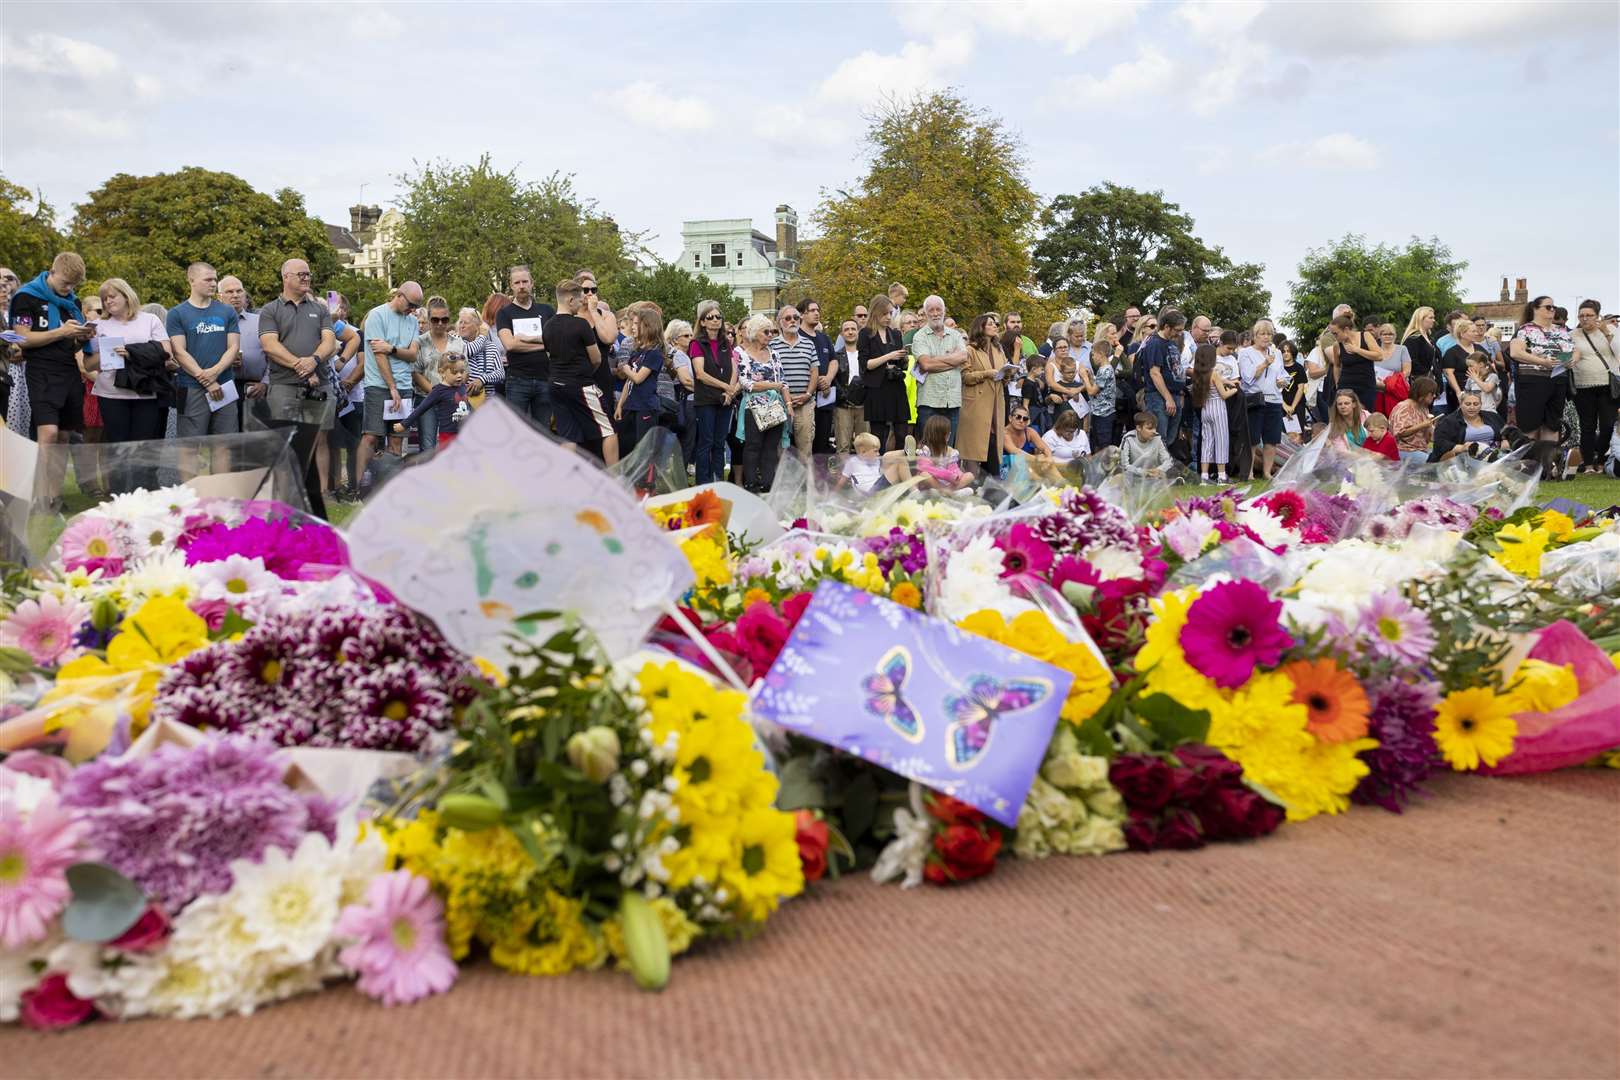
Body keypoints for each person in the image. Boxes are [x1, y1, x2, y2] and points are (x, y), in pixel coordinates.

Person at [8, 253, 94, 502]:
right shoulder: (26, 296)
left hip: (69, 370)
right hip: (41, 370)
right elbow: (22, 338)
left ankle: (55, 497)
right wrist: (61, 332)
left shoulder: (73, 302)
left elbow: (73, 343)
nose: (68, 289)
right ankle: (40, 496)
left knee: (65, 436)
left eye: (73, 285)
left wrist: (81, 337)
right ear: (52, 272)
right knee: (48, 434)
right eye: (65, 283)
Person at [84, 277, 171, 492]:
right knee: (117, 448)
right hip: (111, 394)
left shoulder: (150, 319)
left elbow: (165, 352)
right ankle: (118, 496)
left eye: (112, 296)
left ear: (126, 295)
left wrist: (131, 351)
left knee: (142, 447)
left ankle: (141, 494)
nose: (107, 302)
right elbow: (88, 364)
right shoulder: (99, 325)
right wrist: (106, 353)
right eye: (104, 299)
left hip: (145, 393)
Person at [352, 282, 421, 488]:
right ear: (399, 296)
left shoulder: (413, 322)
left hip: (405, 386)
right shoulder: (377, 315)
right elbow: (378, 355)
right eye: (411, 305)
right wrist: (391, 387)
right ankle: (355, 486)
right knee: (371, 436)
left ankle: (388, 486)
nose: (413, 310)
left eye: (416, 307)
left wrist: (391, 348)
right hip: (378, 386)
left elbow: (412, 354)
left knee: (397, 439)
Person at [166, 262, 240, 438]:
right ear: (191, 280)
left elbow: (234, 347)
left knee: (225, 444)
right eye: (208, 279)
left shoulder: (227, 311)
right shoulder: (177, 313)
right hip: (191, 387)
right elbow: (179, 352)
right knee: (191, 446)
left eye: (215, 279)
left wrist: (215, 372)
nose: (213, 283)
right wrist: (208, 381)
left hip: (225, 385)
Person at [544, 278, 615, 461]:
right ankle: (615, 479)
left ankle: (567, 482)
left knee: (569, 436)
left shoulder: (547, 326)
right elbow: (596, 358)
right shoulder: (580, 325)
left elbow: (550, 355)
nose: (580, 303)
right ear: (570, 301)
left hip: (555, 385)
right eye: (578, 300)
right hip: (580, 384)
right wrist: (587, 372)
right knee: (608, 430)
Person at [733, 313, 790, 493]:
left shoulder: (774, 355)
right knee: (753, 446)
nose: (770, 335)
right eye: (766, 331)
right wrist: (772, 385)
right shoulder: (743, 355)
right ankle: (750, 483)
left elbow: (784, 381)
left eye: (772, 331)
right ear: (755, 332)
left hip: (775, 406)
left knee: (771, 448)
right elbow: (746, 383)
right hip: (753, 407)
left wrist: (788, 404)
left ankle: (768, 484)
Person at [495, 266, 555, 431]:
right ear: (511, 285)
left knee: (543, 433)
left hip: (545, 379)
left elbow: (556, 342)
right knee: (515, 432)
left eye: (525, 281)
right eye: (517, 282)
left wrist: (524, 340)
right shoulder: (504, 314)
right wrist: (544, 344)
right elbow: (510, 345)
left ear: (532, 283)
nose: (521, 286)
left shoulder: (547, 311)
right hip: (517, 381)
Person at [1509, 295, 1571, 445]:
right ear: (1535, 309)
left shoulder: (1561, 330)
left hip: (1558, 381)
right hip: (1533, 382)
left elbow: (1572, 350)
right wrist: (1543, 362)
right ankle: (1529, 463)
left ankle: (1548, 464)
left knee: (1553, 424)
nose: (1552, 310)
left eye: (1554, 307)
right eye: (1548, 307)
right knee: (1530, 425)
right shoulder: (1525, 329)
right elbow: (1516, 353)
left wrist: (1572, 358)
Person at [689, 299, 736, 485]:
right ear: (702, 322)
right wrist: (725, 387)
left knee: (719, 442)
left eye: (719, 317)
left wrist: (730, 392)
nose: (716, 320)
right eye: (711, 317)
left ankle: (718, 480)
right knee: (706, 442)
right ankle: (703, 482)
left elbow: (734, 370)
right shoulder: (697, 344)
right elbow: (700, 374)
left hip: (725, 399)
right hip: (706, 400)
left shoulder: (726, 343)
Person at [911, 295, 968, 445]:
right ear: (925, 313)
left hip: (952, 401)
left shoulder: (955, 335)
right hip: (929, 402)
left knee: (948, 450)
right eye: (931, 310)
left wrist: (935, 360)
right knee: (928, 449)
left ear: (944, 311)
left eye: (939, 309)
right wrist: (952, 360)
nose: (935, 313)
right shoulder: (919, 337)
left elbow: (963, 357)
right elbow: (926, 365)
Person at [1570, 299, 1618, 475]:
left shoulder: (1610, 330)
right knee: (1587, 426)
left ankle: (1601, 460)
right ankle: (1589, 463)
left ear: (1598, 316)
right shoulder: (1572, 334)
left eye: (1589, 315)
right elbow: (1566, 355)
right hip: (1583, 386)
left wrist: (1606, 332)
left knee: (1607, 425)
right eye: (1581, 315)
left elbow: (1618, 352)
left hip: (1608, 385)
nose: (1585, 319)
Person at [957, 313, 1006, 478]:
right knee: (974, 448)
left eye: (996, 324)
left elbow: (1002, 374)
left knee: (992, 444)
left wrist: (1009, 373)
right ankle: (971, 484)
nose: (995, 326)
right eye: (991, 323)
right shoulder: (970, 350)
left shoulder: (999, 350)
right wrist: (985, 374)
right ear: (981, 327)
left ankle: (990, 484)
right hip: (976, 405)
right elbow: (965, 377)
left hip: (996, 403)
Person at [411, 296, 462, 452]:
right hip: (427, 399)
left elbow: (464, 370)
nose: (440, 323)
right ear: (428, 319)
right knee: (428, 447)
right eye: (435, 320)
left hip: (452, 400)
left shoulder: (458, 342)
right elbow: (415, 371)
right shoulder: (419, 342)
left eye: (444, 319)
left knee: (453, 445)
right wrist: (436, 393)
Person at [860, 294, 909, 452]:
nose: (888, 317)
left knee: (902, 433)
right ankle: (878, 468)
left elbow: (900, 363)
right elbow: (866, 364)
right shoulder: (865, 333)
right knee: (878, 435)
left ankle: (898, 466)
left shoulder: (895, 334)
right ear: (876, 312)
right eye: (885, 313)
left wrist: (903, 359)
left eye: (890, 313)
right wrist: (889, 356)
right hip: (876, 388)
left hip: (896, 386)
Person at [768, 303, 818, 457]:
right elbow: (770, 375)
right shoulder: (772, 345)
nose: (793, 321)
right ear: (780, 322)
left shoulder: (809, 344)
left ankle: (805, 481)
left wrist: (808, 394)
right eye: (788, 318)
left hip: (805, 402)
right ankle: (781, 481)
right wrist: (787, 398)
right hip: (780, 403)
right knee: (779, 448)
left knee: (805, 447)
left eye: (796, 317)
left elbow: (815, 371)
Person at [615, 304, 667, 450]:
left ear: (648, 326)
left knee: (644, 448)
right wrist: (620, 405)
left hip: (646, 407)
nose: (632, 327)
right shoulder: (637, 352)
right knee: (628, 445)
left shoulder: (654, 353)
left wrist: (625, 367)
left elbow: (638, 378)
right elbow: (629, 382)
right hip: (631, 405)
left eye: (637, 324)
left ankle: (648, 474)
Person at [1238, 319, 1285, 480]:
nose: (1266, 337)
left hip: (1275, 400)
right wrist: (1265, 363)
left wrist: (1282, 381)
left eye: (1269, 334)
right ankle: (1249, 472)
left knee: (1271, 439)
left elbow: (1283, 374)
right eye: (1262, 334)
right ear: (1255, 336)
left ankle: (1267, 472)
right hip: (1256, 400)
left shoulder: (1276, 353)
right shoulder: (1245, 353)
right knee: (1253, 439)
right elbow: (1248, 377)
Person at [395, 354, 471, 450]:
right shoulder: (438, 391)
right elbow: (421, 408)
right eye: (454, 372)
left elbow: (468, 407)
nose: (459, 375)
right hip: (448, 435)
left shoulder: (462, 387)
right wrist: (404, 424)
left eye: (462, 372)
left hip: (465, 433)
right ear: (442, 372)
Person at [1188, 343, 1237, 484]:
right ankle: (1222, 475)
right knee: (1221, 440)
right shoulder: (1213, 373)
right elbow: (1224, 395)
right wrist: (1234, 390)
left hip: (1205, 410)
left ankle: (1204, 476)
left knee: (1206, 442)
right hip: (1218, 409)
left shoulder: (1197, 374)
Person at [1138, 307, 1186, 448]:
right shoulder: (1155, 343)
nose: (1179, 333)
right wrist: (1168, 398)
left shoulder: (1171, 342)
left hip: (1175, 395)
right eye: (1177, 330)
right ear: (1166, 326)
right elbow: (1155, 373)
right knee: (1158, 438)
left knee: (1170, 438)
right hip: (1159, 397)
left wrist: (1179, 394)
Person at [799, 298, 837, 455]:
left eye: (818, 310)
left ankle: (820, 478)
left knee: (822, 442)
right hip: (804, 398)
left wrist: (828, 378)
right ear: (802, 314)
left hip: (825, 397)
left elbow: (833, 360)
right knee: (804, 442)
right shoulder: (797, 337)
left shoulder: (824, 338)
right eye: (812, 310)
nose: (817, 313)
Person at [1430, 391, 1508, 462]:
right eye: (1468, 404)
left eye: (1476, 404)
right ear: (1460, 404)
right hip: (1465, 458)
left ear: (1481, 405)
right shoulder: (1448, 422)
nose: (1472, 407)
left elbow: (1509, 432)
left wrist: (1505, 441)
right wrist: (1462, 448)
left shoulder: (1492, 416)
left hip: (1495, 454)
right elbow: (1440, 443)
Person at [1330, 312, 1380, 412]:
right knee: (1346, 416)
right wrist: (1337, 384)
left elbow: (1379, 356)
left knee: (1366, 416)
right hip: (1346, 386)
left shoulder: (1365, 336)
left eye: (1336, 333)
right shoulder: (1337, 345)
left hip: (1366, 385)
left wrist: (1357, 350)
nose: (1335, 337)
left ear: (1346, 330)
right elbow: (1336, 365)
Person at [832, 317, 867, 453]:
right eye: (846, 329)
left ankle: (864, 474)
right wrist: (843, 396)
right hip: (843, 406)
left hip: (864, 405)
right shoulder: (835, 355)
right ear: (841, 333)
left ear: (858, 331)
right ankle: (843, 474)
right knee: (843, 446)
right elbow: (833, 379)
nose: (850, 332)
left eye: (853, 329)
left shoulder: (866, 354)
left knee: (865, 446)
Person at [1389, 376, 1440, 463]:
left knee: (1445, 457)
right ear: (1423, 392)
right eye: (1432, 393)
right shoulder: (1404, 407)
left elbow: (1429, 439)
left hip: (1421, 449)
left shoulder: (1424, 408)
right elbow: (1400, 432)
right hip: (1404, 449)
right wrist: (1422, 425)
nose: (1434, 396)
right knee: (1434, 464)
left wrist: (1432, 428)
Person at [915, 414, 973, 489]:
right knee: (924, 474)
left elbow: (954, 469)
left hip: (947, 483)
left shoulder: (950, 451)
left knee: (969, 475)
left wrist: (957, 476)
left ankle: (947, 492)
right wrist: (948, 476)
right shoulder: (925, 450)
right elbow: (925, 467)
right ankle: (946, 492)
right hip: (931, 483)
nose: (950, 434)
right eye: (947, 433)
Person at [1088, 322, 1121, 448]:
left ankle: (1105, 467)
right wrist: (1091, 377)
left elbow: (1092, 391)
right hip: (1099, 412)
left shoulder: (1105, 370)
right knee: (1096, 442)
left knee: (1103, 444)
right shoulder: (1105, 369)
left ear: (1101, 354)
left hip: (1104, 414)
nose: (1092, 357)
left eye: (1093, 354)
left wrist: (1085, 378)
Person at [1121, 412, 1171, 478]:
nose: (1154, 431)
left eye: (1155, 428)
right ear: (1138, 428)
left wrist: (1158, 470)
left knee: (1171, 472)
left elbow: (1168, 461)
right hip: (1134, 476)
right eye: (1150, 428)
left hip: (1155, 476)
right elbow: (1124, 465)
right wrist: (1143, 472)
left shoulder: (1157, 437)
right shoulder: (1128, 438)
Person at [1280, 340, 1310, 444]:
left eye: (1288, 351)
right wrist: (1285, 406)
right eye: (1283, 351)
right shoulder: (1277, 368)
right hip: (1281, 405)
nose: (1286, 353)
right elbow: (1275, 389)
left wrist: (1292, 406)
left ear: (1293, 352)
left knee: (1298, 436)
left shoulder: (1299, 368)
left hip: (1298, 405)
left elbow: (1300, 388)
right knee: (1285, 436)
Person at [1401, 306, 1438, 384]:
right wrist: (1427, 374)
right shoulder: (1413, 338)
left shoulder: (1429, 337)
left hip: (1430, 380)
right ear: (1421, 319)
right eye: (1430, 318)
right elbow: (1412, 361)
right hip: (1419, 383)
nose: (1433, 320)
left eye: (1433, 317)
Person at [1464, 352, 1503, 419]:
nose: (1468, 368)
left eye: (1471, 366)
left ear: (1481, 364)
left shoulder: (1492, 376)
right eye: (1468, 366)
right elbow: (1466, 395)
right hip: (1475, 413)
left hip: (1489, 412)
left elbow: (1487, 389)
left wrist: (1476, 379)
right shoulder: (1470, 379)